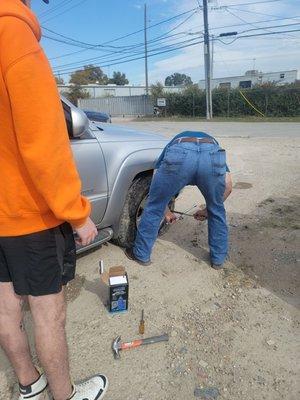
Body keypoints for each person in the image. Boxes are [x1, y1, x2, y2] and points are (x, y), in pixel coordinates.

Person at [0, 1, 108, 399]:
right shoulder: (14, 35)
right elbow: (44, 143)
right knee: (49, 315)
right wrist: (77, 215)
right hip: (29, 217)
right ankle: (64, 396)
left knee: (6, 308)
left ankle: (28, 383)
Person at [125, 131, 232, 269]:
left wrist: (165, 210)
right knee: (217, 209)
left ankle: (141, 255)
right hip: (210, 154)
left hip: (181, 152)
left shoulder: (173, 143)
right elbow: (228, 187)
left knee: (154, 205)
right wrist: (207, 210)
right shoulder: (214, 145)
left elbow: (155, 191)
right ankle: (218, 260)